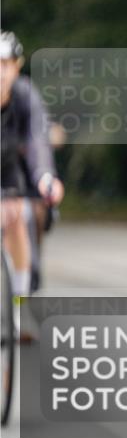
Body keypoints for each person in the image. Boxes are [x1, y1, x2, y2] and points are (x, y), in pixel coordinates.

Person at [1, 31, 64, 316]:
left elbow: (38, 139)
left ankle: (20, 307)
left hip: (15, 171)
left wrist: (45, 176)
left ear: (16, 66)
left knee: (23, 214)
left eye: (4, 64)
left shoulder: (26, 95)